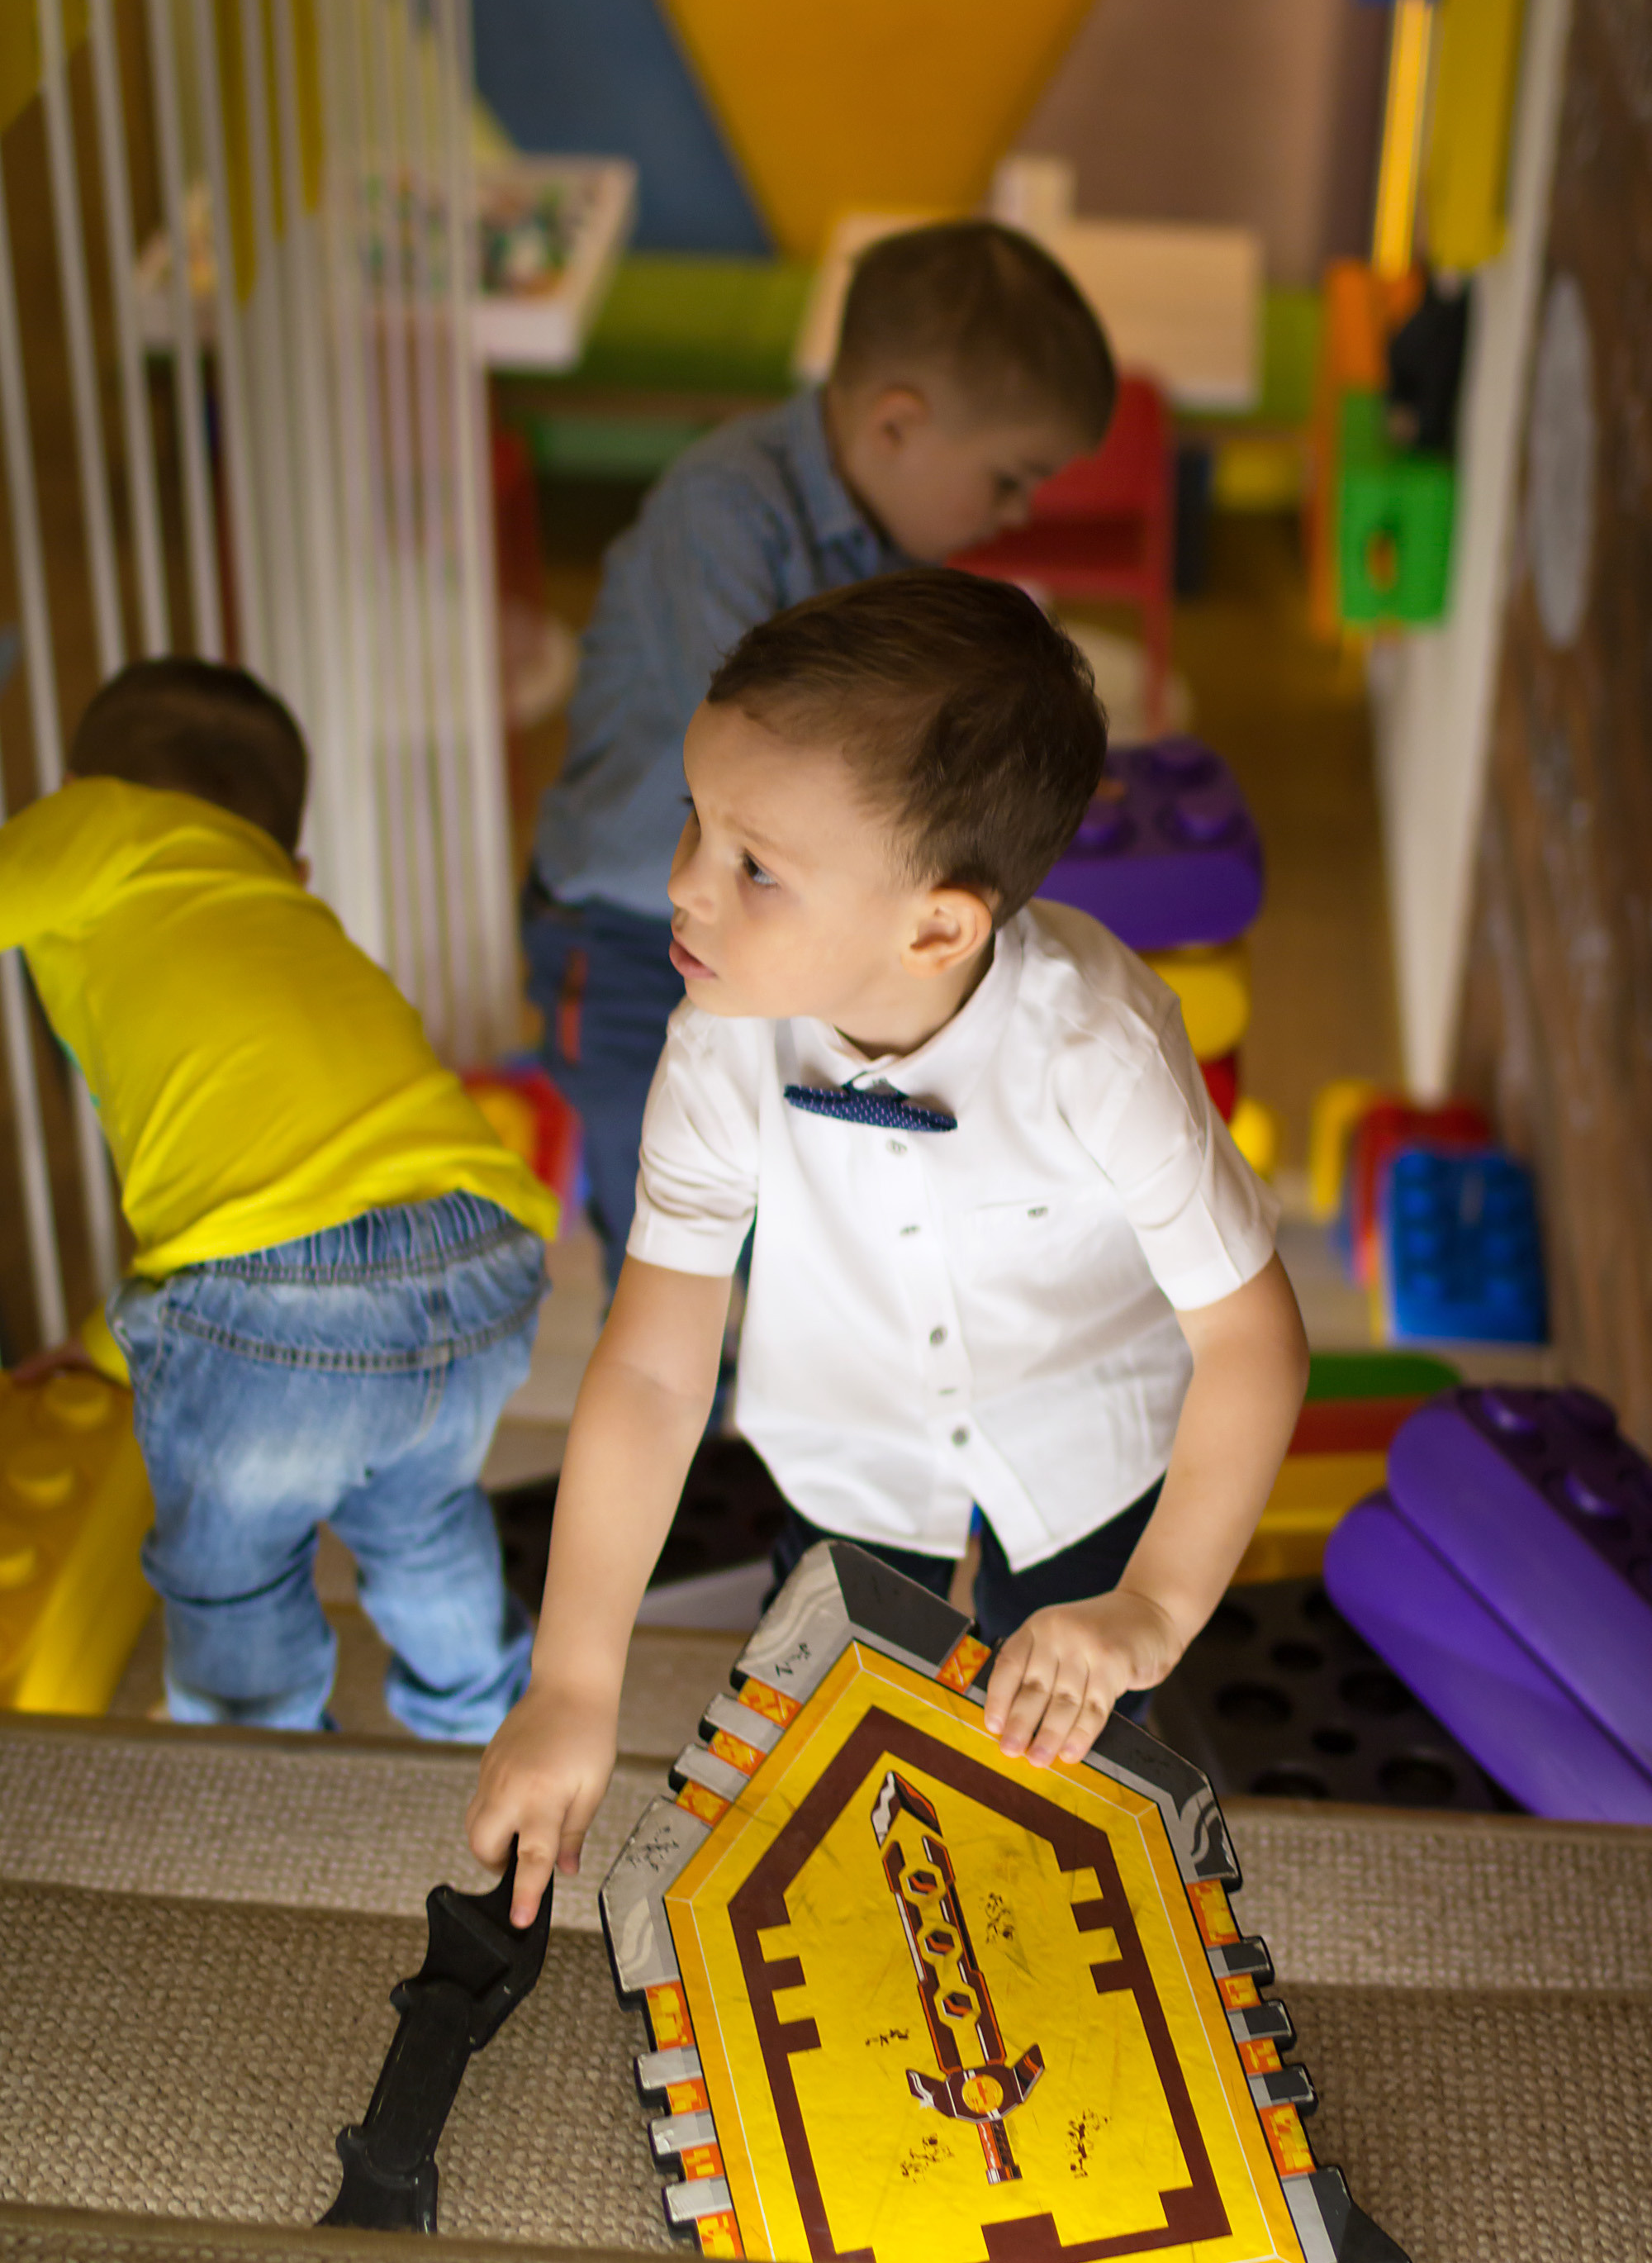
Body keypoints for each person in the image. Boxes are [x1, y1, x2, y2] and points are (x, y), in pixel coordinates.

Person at [468, 573, 1309, 1924]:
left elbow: (1254, 1342)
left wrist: (1149, 1608)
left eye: (754, 868)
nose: (678, 886)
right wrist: (572, 1678)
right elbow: (653, 1375)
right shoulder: (716, 1044)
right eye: (696, 819)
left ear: (936, 926)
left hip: (1089, 1440)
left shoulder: (1098, 1044)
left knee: (1082, 1757)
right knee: (844, 1772)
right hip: (845, 1445)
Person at [525, 220, 1115, 1292]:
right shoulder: (727, 512)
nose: (1016, 513)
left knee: (791, 1206)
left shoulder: (893, 546)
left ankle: (771, 1402)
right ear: (899, 423)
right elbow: (775, 769)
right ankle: (690, 1442)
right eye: (1010, 478)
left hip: (785, 927)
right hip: (628, 934)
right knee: (668, 1234)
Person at [0, 659, 559, 1739]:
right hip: (485, 1261)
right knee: (423, 1519)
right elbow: (304, 1191)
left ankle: (257, 1768)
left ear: (77, 790)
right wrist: (104, 1346)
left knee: (234, 1568)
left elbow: (274, 1258)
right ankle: (486, 1724)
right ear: (295, 865)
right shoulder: (287, 914)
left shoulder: (101, 827)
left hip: (278, 1301)